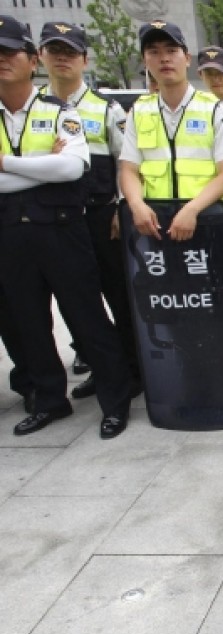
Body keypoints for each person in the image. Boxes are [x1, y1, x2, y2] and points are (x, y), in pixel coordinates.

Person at [0, 15, 133, 438]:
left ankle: (116, 400)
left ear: (28, 59)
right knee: (28, 323)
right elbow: (54, 169)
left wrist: (5, 164)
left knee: (88, 317)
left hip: (63, 229)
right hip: (11, 234)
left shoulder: (61, 111)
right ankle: (49, 400)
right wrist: (42, 168)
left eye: (10, 53)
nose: (3, 61)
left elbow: (73, 167)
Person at [37, 21, 140, 402]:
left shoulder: (107, 109)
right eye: (54, 50)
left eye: (70, 52)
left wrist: (120, 207)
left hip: (102, 217)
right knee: (77, 305)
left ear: (84, 59)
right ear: (40, 57)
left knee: (119, 298)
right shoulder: (35, 110)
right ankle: (103, 368)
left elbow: (126, 163)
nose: (62, 58)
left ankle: (134, 369)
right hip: (56, 221)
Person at [119, 20, 223, 243]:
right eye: (154, 52)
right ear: (145, 60)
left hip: (207, 221)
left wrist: (192, 210)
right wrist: (136, 205)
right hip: (156, 225)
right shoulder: (139, 112)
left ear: (187, 58)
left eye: (171, 51)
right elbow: (129, 170)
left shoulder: (215, 110)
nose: (164, 58)